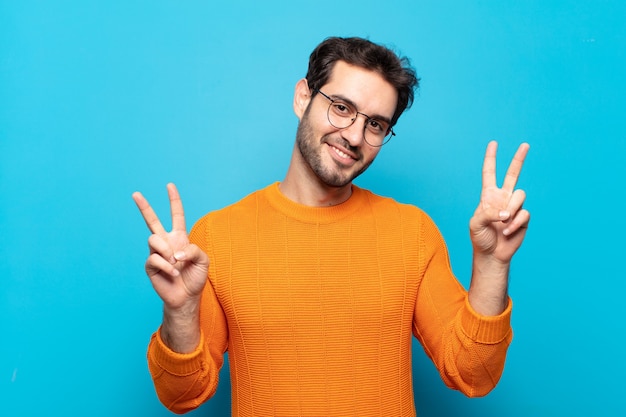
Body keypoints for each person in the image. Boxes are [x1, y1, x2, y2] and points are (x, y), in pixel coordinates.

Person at [133, 37, 530, 416]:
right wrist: (181, 313)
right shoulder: (218, 237)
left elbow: (474, 372)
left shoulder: (413, 233)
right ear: (302, 97)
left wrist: (492, 264)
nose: (355, 136)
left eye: (375, 124)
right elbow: (181, 395)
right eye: (341, 107)